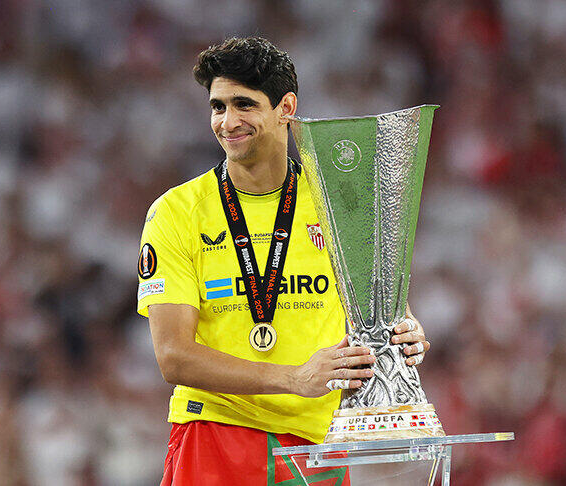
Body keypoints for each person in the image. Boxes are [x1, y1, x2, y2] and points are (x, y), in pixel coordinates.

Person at [136, 37, 431, 485]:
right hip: (216, 429)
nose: (227, 122)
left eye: (244, 104)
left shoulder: (341, 203)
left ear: (286, 107)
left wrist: (406, 334)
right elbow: (173, 356)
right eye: (218, 107)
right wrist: (294, 378)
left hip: (316, 441)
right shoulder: (177, 212)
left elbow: (386, 312)